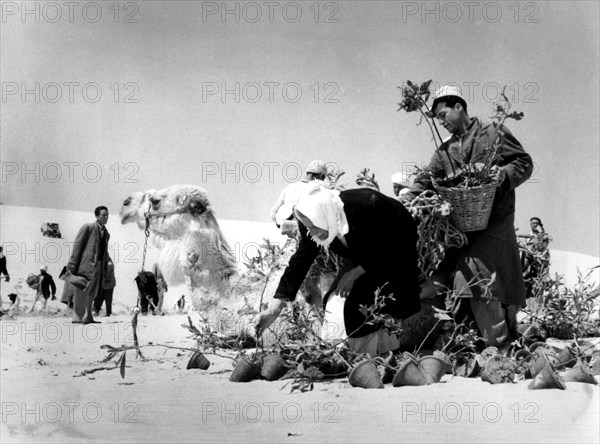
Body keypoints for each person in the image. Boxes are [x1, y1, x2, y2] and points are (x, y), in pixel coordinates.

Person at [402, 85, 533, 348]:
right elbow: (427, 179)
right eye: (437, 118)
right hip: (461, 228)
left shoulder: (493, 132)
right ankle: (471, 343)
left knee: (476, 283)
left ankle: (500, 350)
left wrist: (503, 175)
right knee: (438, 283)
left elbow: (524, 163)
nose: (441, 121)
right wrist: (407, 200)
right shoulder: (444, 151)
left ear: (459, 107)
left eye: (443, 114)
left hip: (495, 223)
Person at [255, 184, 422, 357]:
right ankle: (363, 355)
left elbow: (392, 248)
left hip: (397, 247)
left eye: (314, 228)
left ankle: (371, 358)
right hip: (364, 251)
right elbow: (300, 262)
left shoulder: (368, 205)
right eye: (309, 229)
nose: (312, 234)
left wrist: (356, 272)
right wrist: (274, 310)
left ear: (327, 217)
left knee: (361, 303)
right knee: (335, 298)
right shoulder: (312, 218)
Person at [66, 206, 110, 324]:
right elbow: (77, 246)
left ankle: (88, 316)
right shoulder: (88, 228)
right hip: (86, 264)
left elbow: (104, 251)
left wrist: (105, 267)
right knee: (82, 289)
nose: (106, 218)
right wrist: (72, 264)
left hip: (99, 266)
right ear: (96, 216)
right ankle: (76, 317)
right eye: (103, 215)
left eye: (107, 215)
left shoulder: (106, 233)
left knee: (93, 291)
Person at [270, 160, 328, 229]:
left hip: (286, 229)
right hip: (306, 231)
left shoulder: (290, 187)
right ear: (320, 176)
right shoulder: (317, 188)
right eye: (323, 178)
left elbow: (273, 213)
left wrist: (284, 223)